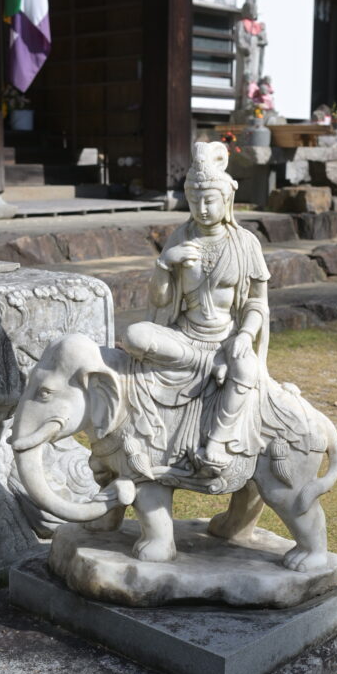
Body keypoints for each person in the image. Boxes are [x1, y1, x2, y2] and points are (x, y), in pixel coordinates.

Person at [122, 141, 270, 473]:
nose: (201, 208)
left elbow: (257, 302)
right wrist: (164, 264)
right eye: (193, 200)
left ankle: (217, 440)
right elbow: (160, 301)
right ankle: (206, 364)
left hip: (226, 339)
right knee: (134, 336)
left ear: (226, 198)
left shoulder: (245, 244)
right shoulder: (180, 238)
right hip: (184, 338)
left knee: (246, 370)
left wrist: (245, 336)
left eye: (209, 200)